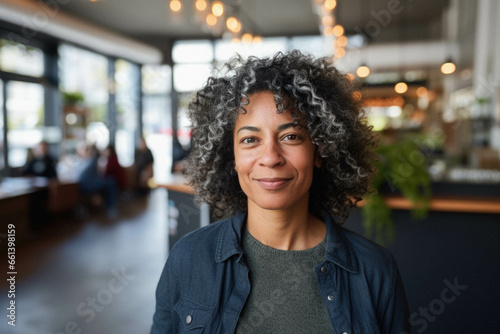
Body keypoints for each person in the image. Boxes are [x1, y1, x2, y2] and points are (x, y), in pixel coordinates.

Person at [151, 51, 410, 333]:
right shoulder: (189, 258)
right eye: (250, 140)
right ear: (232, 157)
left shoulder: (374, 269)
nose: (271, 157)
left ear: (320, 150)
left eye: (291, 136)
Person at [76, 142, 118, 217]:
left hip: (84, 184)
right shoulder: (91, 160)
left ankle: (108, 206)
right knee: (111, 181)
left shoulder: (84, 160)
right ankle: (111, 208)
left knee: (109, 182)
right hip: (87, 185)